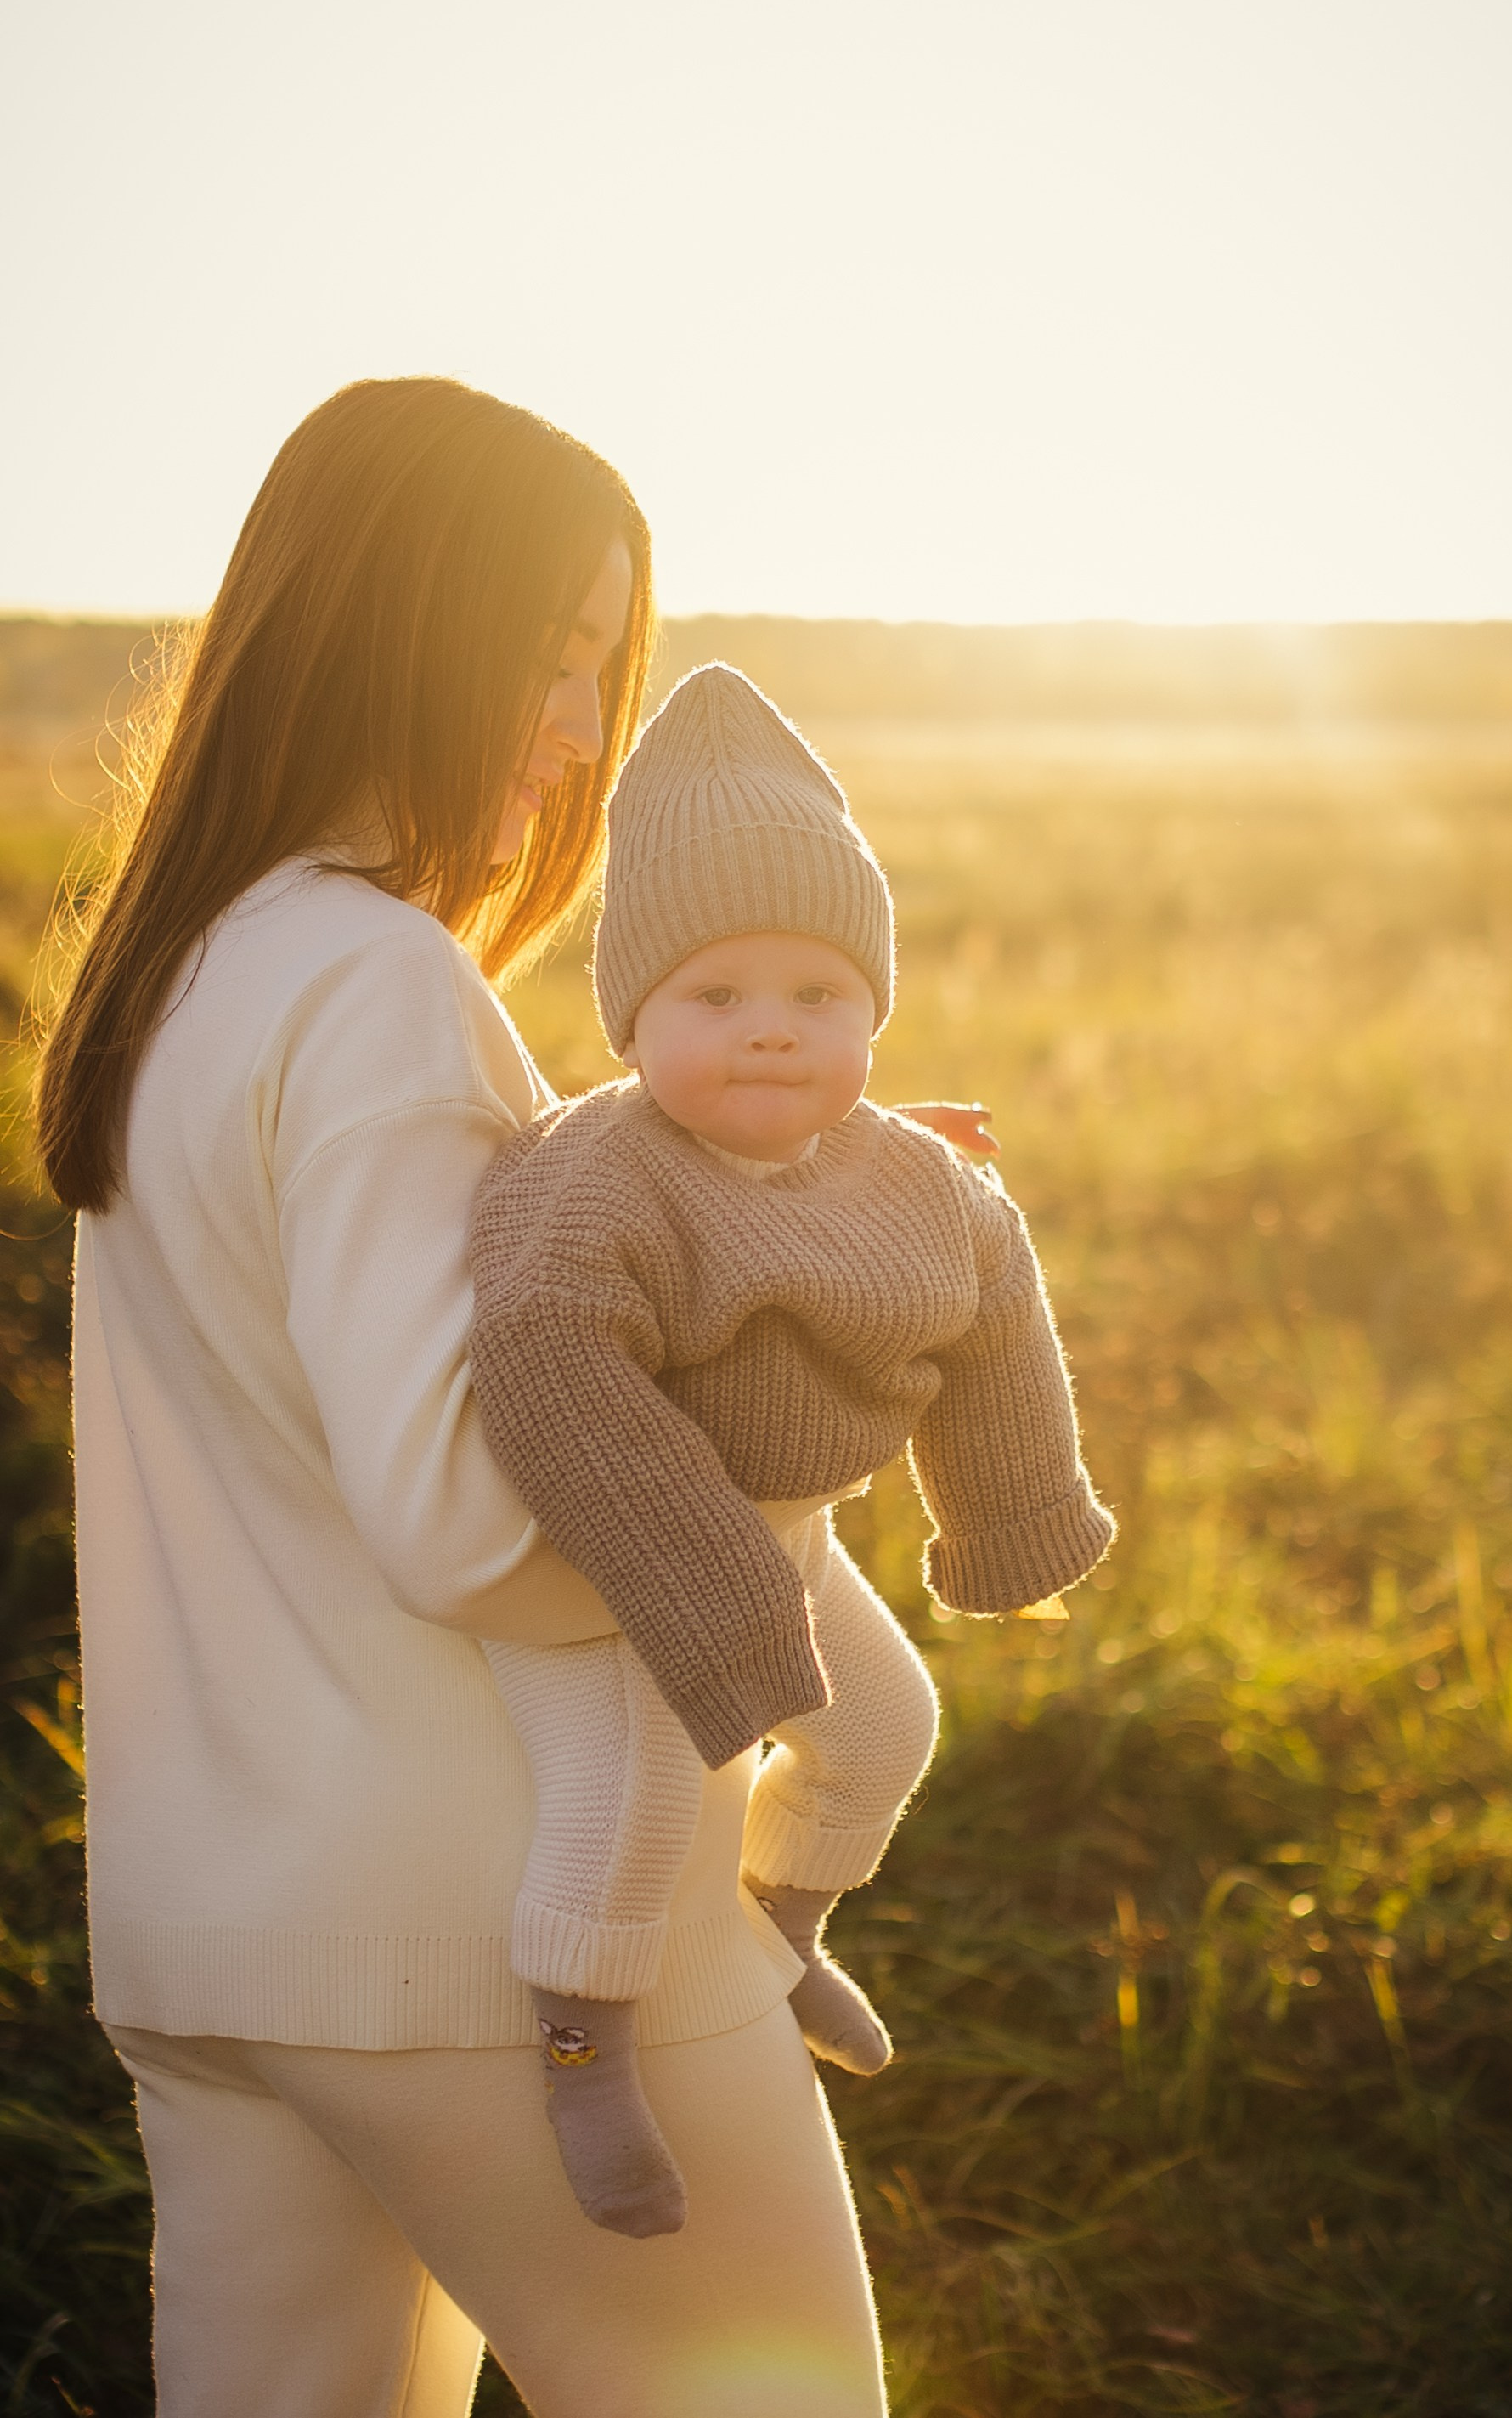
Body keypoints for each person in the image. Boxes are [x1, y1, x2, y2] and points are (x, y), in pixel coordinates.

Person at [35, 376, 985, 2416]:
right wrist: (797, 1417)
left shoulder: (188, 969)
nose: (576, 736)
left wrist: (750, 1214)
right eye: (547, 657)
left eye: (599, 669)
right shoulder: (381, 985)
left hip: (216, 1935)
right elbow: (469, 1518)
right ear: (398, 627)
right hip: (492, 1936)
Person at [469, 664, 1114, 2240]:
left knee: (884, 1725)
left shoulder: (910, 1173)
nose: (771, 1029)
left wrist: (1013, 1521)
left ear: (874, 1015)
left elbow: (996, 1322)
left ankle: (780, 1928)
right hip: (616, 1554)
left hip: (794, 1537)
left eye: (820, 996)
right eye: (716, 997)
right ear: (632, 1019)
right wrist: (713, 1594)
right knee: (633, 1798)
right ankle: (583, 2052)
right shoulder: (597, 1175)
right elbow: (548, 1366)